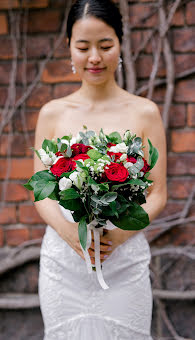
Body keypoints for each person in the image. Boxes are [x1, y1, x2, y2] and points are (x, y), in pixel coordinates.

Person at [34, 0, 167, 339]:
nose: (95, 57)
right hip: (64, 262)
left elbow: (158, 195)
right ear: (69, 49)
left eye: (105, 45)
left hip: (122, 257)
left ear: (120, 44)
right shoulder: (52, 113)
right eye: (83, 46)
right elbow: (41, 194)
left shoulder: (145, 113)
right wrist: (72, 238)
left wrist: (118, 237)